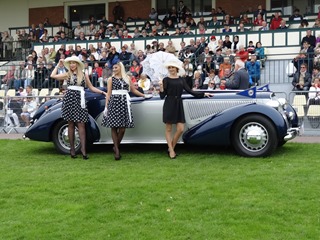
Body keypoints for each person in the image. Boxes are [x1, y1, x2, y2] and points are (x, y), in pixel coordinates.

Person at [50, 56, 107, 160]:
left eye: (74, 63)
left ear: (77, 64)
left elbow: (91, 87)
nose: (72, 65)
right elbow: (53, 75)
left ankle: (83, 150)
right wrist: (58, 65)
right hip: (69, 99)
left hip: (80, 100)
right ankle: (72, 149)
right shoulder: (67, 74)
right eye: (70, 63)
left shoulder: (84, 75)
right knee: (70, 124)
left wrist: (103, 92)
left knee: (81, 125)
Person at [159, 61, 212, 159]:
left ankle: (171, 147)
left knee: (180, 129)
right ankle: (171, 150)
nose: (171, 69)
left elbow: (190, 91)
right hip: (169, 104)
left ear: (177, 69)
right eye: (169, 67)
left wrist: (203, 94)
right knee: (169, 129)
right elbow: (162, 96)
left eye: (173, 67)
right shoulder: (165, 80)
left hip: (179, 104)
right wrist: (161, 87)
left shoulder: (181, 79)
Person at [102, 62, 148, 160]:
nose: (114, 69)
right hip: (114, 102)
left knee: (122, 128)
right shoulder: (111, 79)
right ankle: (117, 152)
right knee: (114, 127)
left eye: (116, 67)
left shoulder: (127, 78)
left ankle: (116, 146)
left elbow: (133, 90)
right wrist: (106, 107)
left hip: (123, 103)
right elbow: (108, 93)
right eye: (113, 68)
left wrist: (144, 95)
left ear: (120, 67)